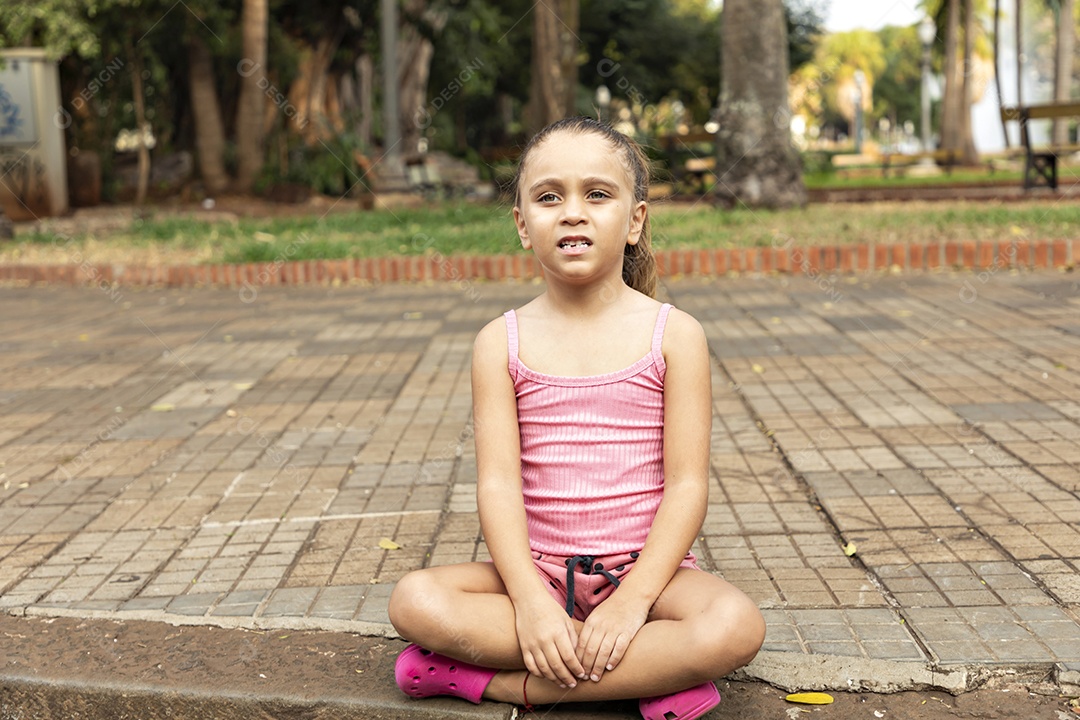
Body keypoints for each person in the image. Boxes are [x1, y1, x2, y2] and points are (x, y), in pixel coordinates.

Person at [387, 116, 765, 720]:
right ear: (521, 224)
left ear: (635, 219)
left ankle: (495, 682)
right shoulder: (499, 342)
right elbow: (498, 485)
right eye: (547, 197)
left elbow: (688, 485)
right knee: (416, 600)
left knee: (734, 626)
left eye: (596, 194)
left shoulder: (675, 336)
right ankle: (646, 675)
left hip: (648, 577)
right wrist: (533, 606)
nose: (571, 212)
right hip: (535, 574)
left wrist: (632, 602)